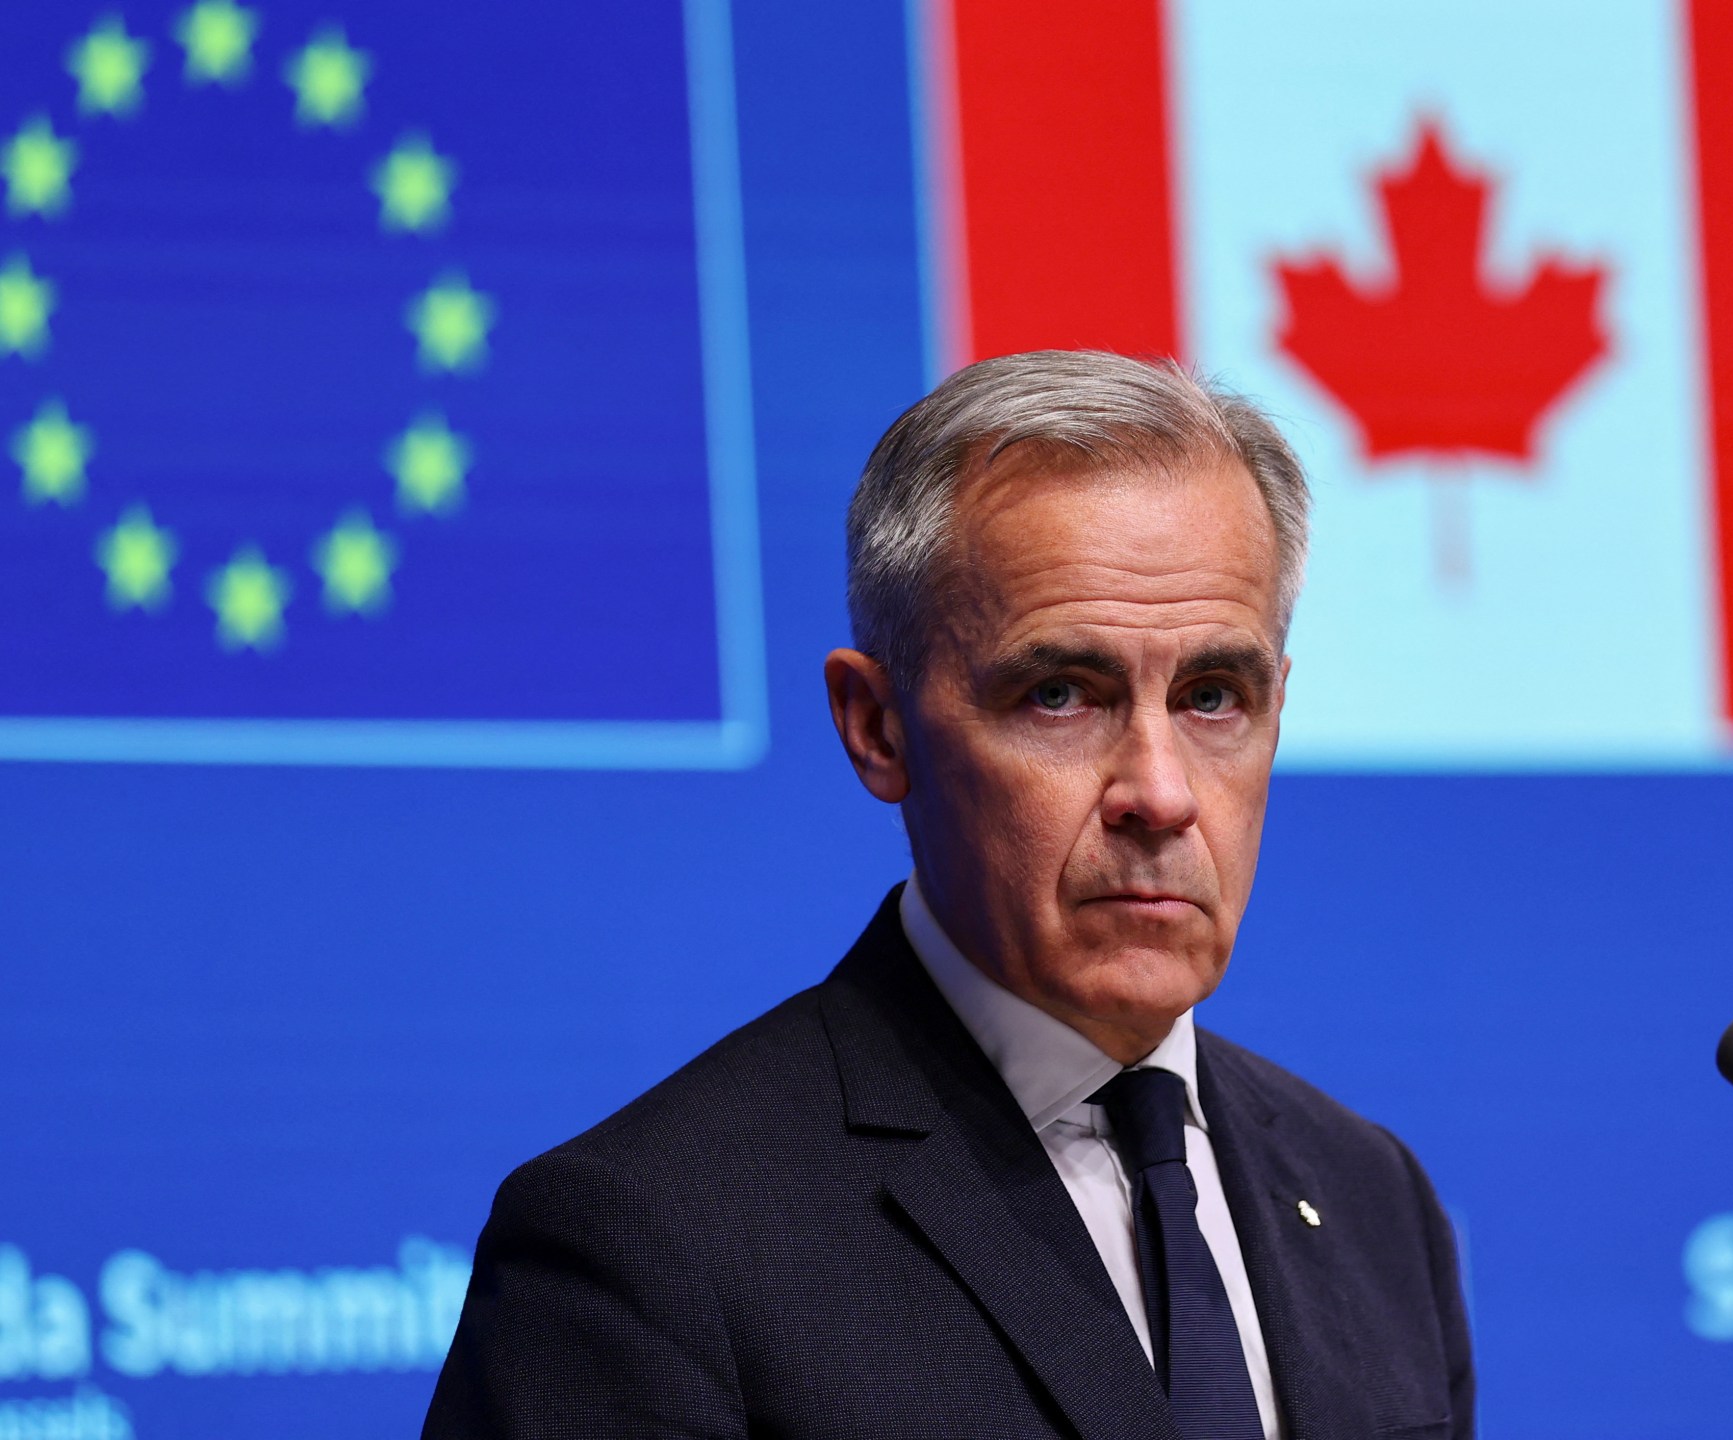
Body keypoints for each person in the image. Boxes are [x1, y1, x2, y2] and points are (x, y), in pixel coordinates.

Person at [423, 351, 1474, 1439]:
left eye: (1213, 697)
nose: (1161, 795)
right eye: (1060, 694)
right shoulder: (645, 1247)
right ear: (877, 727)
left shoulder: (1371, 1199)